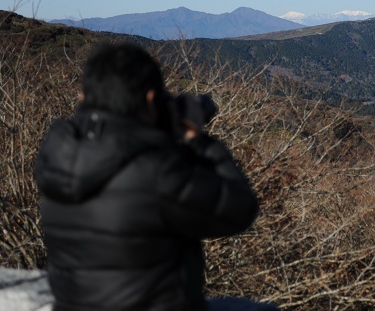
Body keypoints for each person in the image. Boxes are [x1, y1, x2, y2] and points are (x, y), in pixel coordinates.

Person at [35, 42, 270, 310]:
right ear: (149, 98)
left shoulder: (56, 155)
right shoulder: (157, 171)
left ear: (83, 95)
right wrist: (199, 141)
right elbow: (240, 210)